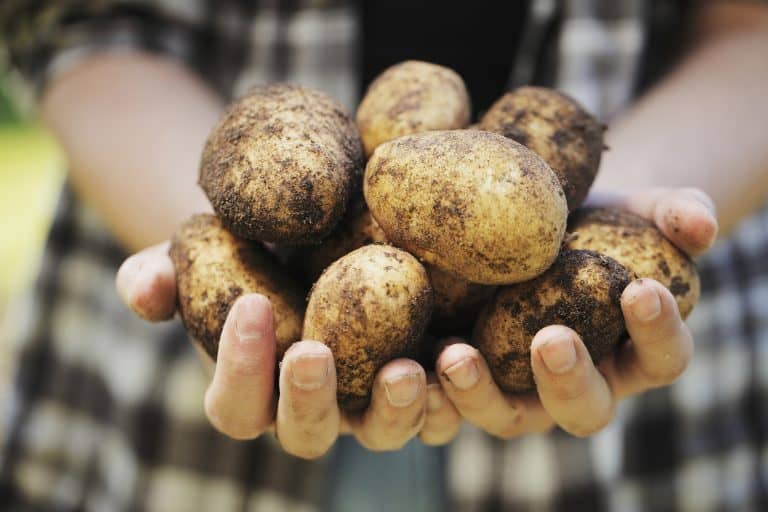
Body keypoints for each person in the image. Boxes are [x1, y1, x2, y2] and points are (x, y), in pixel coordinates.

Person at [0, 0, 765, 510]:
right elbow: (81, 21)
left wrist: (630, 200)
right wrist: (196, 220)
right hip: (174, 435)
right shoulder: (341, 186)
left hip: (644, 453)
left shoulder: (498, 197)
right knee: (357, 258)